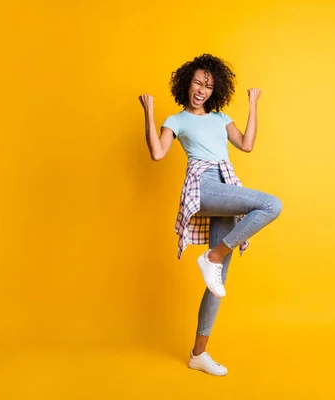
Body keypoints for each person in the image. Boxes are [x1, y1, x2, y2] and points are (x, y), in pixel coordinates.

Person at [138, 54, 282, 376]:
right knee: (271, 204)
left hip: (225, 185)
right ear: (187, 81)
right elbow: (158, 154)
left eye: (208, 85)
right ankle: (214, 256)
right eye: (197, 82)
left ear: (215, 90)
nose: (201, 90)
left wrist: (254, 104)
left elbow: (246, 144)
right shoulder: (177, 120)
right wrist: (148, 112)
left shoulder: (220, 118)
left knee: (218, 284)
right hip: (202, 187)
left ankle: (198, 355)